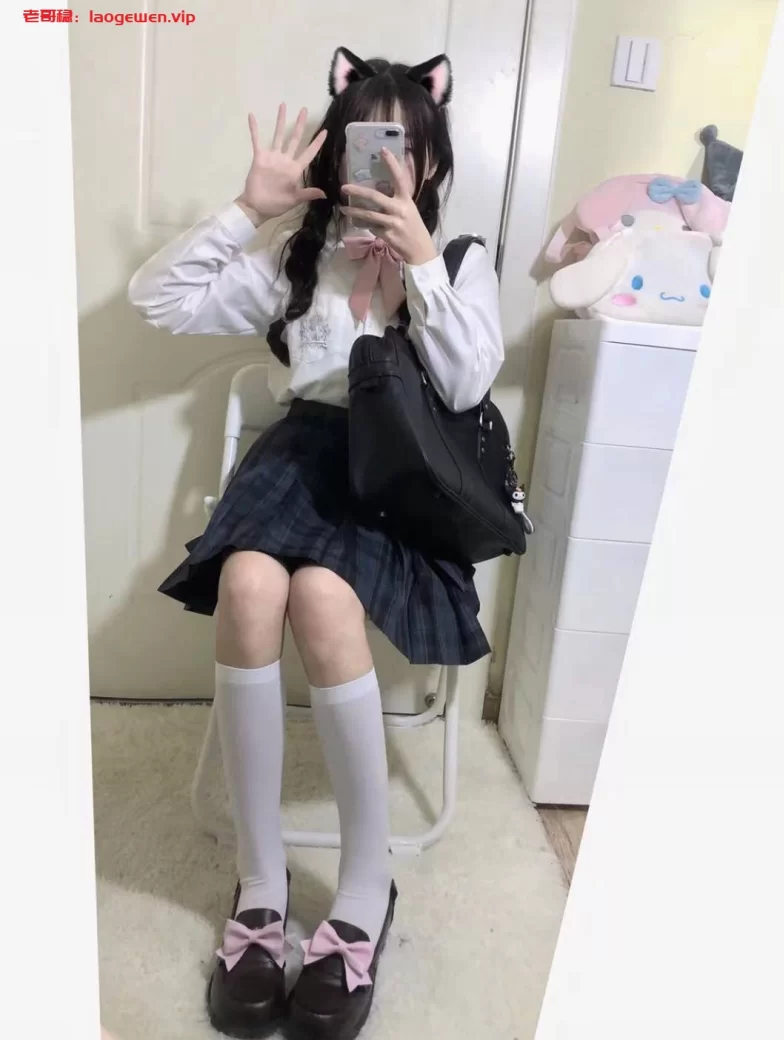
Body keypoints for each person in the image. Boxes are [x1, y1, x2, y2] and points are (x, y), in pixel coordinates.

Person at [127, 45, 504, 1040]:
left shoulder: (460, 263)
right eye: (369, 144)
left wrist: (419, 265)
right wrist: (246, 210)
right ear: (339, 155)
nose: (387, 166)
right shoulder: (299, 255)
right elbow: (156, 299)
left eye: (407, 147)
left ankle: (365, 890)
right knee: (251, 585)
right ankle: (260, 884)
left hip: (396, 478)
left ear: (430, 161)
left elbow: (467, 383)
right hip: (298, 457)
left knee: (324, 597)